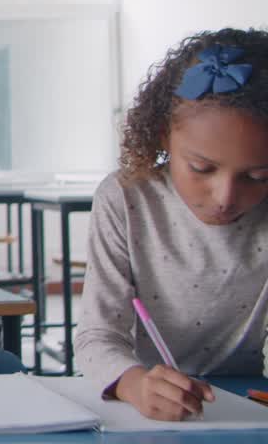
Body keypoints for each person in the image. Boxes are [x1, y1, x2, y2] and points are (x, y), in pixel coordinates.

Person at [76, 28, 268, 421]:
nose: (225, 197)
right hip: (149, 404)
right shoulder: (126, 199)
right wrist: (133, 384)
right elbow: (98, 336)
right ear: (164, 134)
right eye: (201, 168)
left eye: (258, 175)